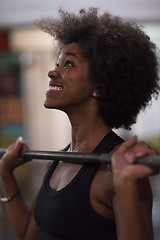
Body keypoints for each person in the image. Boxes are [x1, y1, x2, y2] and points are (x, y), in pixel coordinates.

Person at [0, 8, 159, 240]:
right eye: (57, 63)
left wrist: (125, 186)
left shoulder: (116, 172)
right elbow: (28, 235)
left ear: (100, 86)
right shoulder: (58, 161)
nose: (52, 72)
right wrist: (6, 173)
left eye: (68, 64)